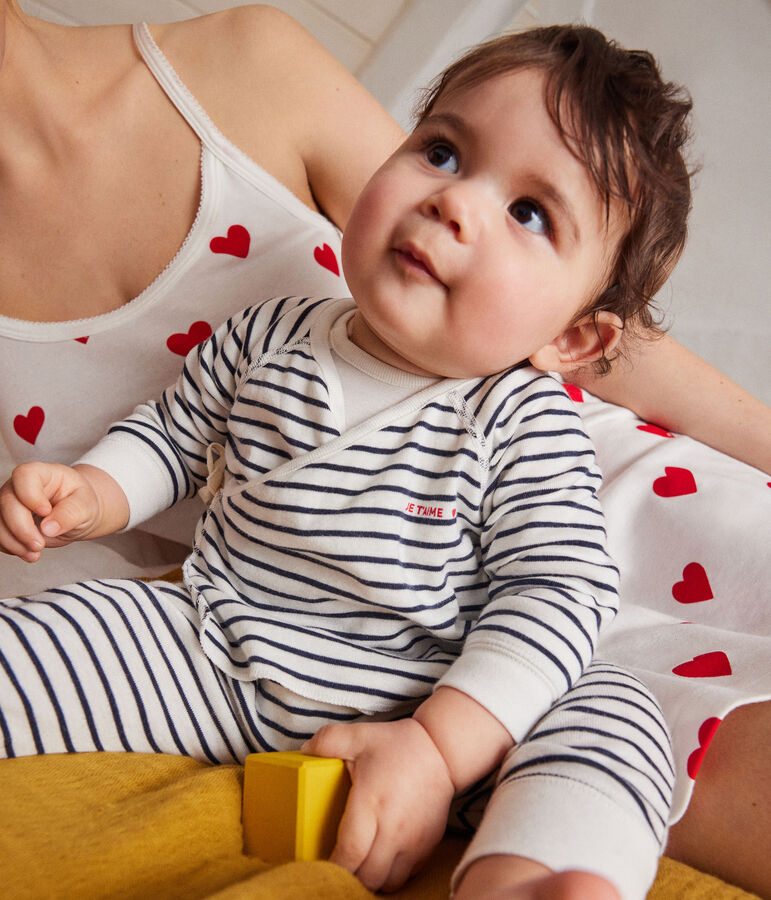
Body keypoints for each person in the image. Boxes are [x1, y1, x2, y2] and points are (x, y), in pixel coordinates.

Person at [0, 2, 768, 895]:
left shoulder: (520, 419)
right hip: (215, 648)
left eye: (527, 212)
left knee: (616, 715)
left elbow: (557, 592)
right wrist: (94, 491)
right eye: (440, 151)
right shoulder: (272, 332)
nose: (452, 201)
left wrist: (439, 749)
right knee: (72, 626)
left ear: (573, 341)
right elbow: (172, 437)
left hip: (434, 694)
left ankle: (533, 876)